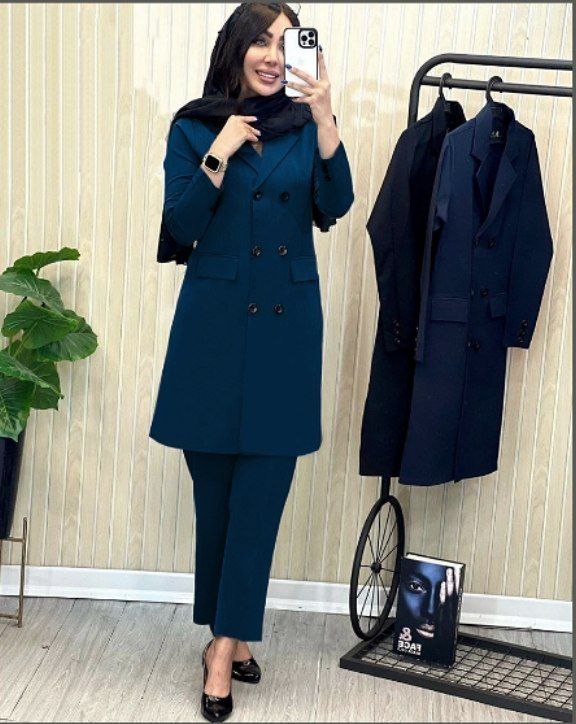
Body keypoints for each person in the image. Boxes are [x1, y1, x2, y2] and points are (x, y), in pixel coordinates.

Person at [148, 3, 354, 721]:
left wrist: (325, 119)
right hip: (211, 334)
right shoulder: (193, 125)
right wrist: (221, 150)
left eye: (286, 43)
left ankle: (221, 647)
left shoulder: (305, 126)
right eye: (261, 41)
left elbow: (336, 204)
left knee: (260, 502)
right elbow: (180, 226)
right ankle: (230, 636)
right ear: (235, 48)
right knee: (215, 503)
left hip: (284, 336)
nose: (272, 54)